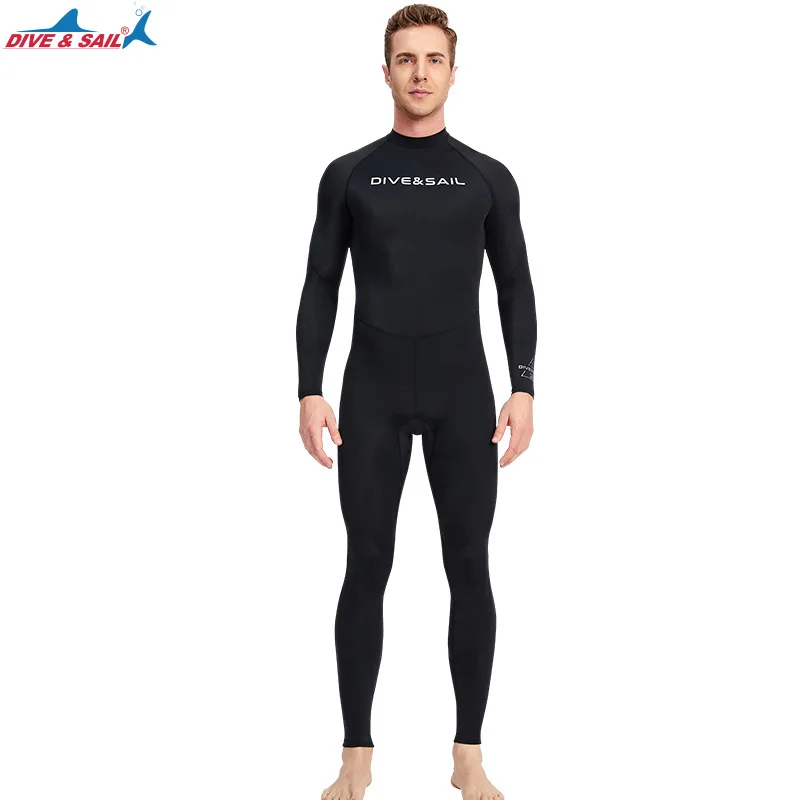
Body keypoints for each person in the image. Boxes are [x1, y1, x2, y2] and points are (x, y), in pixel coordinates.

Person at [295, 5, 536, 799]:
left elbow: (515, 286)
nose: (421, 72)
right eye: (406, 59)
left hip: (463, 390)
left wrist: (524, 385)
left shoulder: (487, 176)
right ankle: (355, 757)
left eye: (434, 59)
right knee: (366, 563)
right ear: (386, 71)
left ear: (454, 73)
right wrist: (309, 388)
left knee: (469, 564)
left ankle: (468, 755)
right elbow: (321, 283)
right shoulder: (350, 174)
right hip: (370, 391)